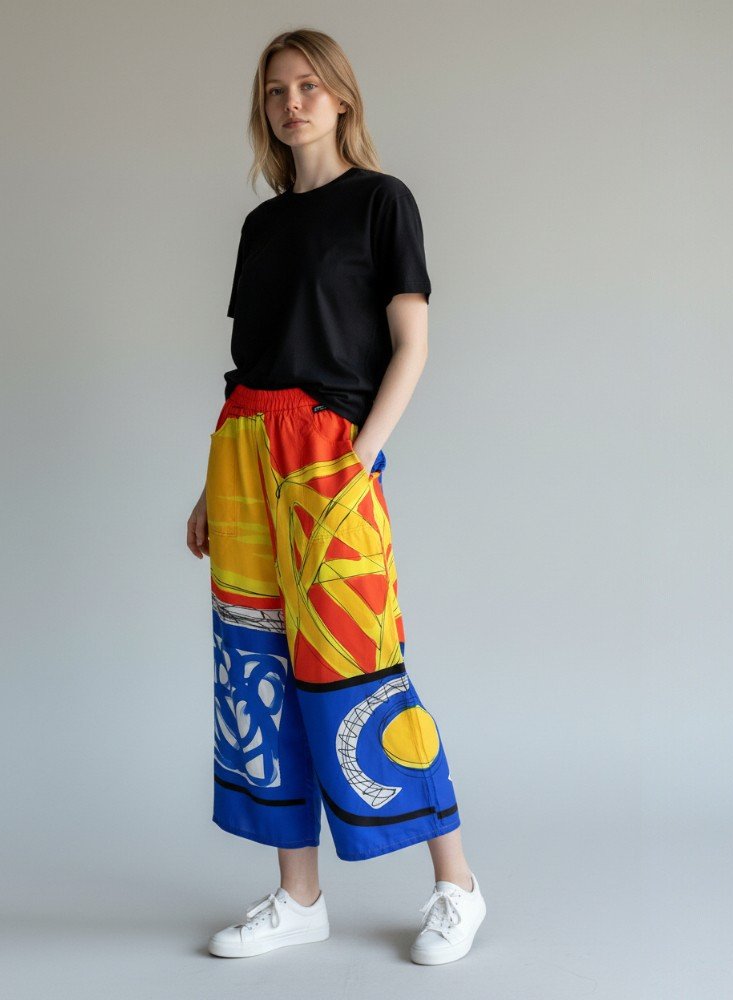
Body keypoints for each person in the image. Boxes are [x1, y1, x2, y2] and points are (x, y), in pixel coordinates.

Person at [186, 29, 486, 965]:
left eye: (309, 86)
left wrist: (358, 461)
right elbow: (250, 366)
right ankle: (299, 897)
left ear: (343, 97)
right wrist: (209, 487)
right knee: (257, 670)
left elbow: (412, 345)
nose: (292, 103)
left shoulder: (381, 203)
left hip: (328, 455)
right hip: (245, 449)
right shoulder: (261, 227)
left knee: (360, 667)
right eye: (276, 91)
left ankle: (458, 886)